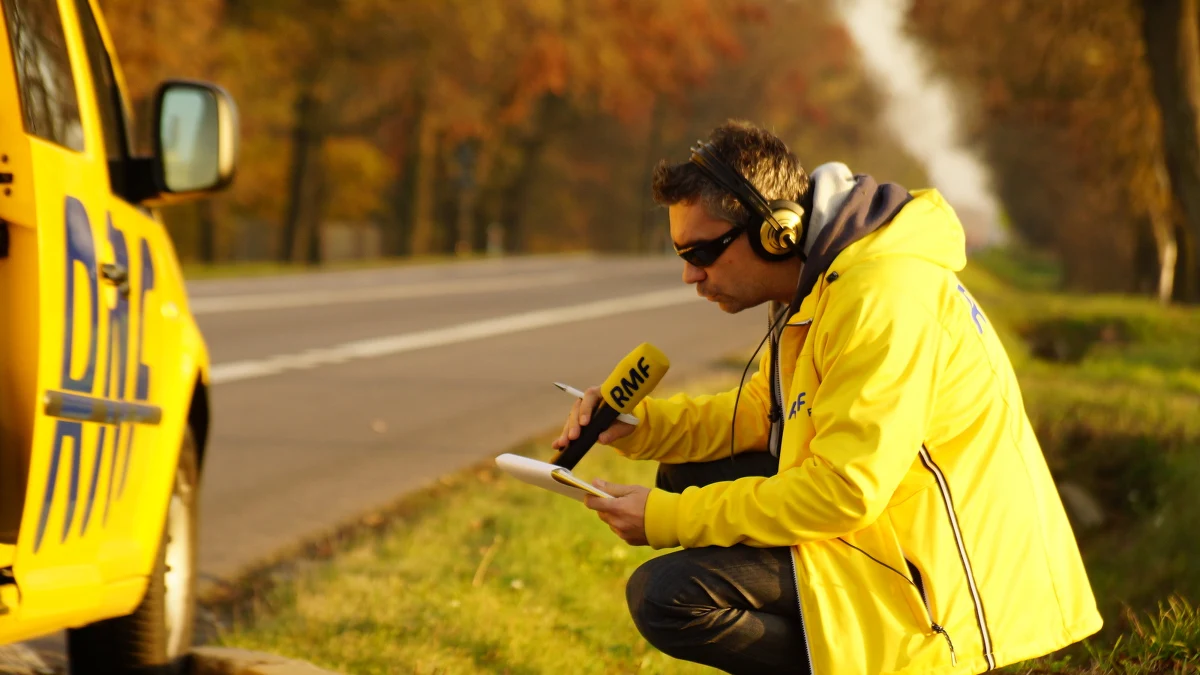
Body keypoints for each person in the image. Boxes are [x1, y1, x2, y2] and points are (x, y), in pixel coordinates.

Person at [551, 120, 1101, 675]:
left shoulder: (882, 297)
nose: (692, 275)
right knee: (682, 473)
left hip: (941, 585)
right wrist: (638, 426)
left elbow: (845, 492)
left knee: (665, 597)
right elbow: (766, 412)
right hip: (883, 530)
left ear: (776, 231)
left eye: (703, 251)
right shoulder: (825, 279)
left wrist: (668, 518)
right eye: (681, 254)